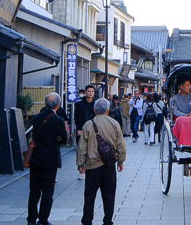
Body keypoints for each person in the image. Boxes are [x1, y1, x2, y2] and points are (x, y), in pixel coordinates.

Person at [77, 98, 126, 225]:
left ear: (94, 110)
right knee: (109, 195)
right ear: (108, 110)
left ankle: (87, 220)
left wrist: (81, 164)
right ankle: (107, 220)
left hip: (92, 166)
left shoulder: (88, 125)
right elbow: (121, 145)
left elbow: (82, 147)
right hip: (109, 165)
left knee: (89, 196)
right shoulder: (114, 123)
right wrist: (120, 161)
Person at [27, 93, 68, 225]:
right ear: (58, 105)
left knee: (34, 190)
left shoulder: (37, 117)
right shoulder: (58, 120)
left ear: (45, 103)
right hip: (50, 160)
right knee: (47, 191)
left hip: (35, 159)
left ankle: (31, 219)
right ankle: (43, 219)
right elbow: (64, 140)